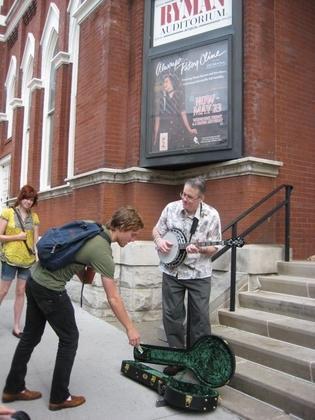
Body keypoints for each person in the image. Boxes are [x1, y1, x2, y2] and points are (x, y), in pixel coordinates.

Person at [2, 206, 144, 411]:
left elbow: (85, 277)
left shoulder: (90, 228)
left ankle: (13, 387)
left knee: (30, 336)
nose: (133, 239)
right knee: (69, 339)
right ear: (121, 227)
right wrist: (130, 328)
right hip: (50, 290)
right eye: (133, 234)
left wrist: (90, 264)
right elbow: (113, 298)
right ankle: (59, 397)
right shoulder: (102, 250)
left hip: (34, 281)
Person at [152, 177, 221, 375]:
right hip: (172, 271)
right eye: (183, 194)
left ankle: (200, 359)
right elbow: (157, 230)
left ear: (201, 198)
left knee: (199, 318)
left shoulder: (211, 215)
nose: (184, 199)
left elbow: (215, 247)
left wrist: (199, 250)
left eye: (190, 197)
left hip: (199, 274)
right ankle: (177, 358)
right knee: (172, 316)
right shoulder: (170, 208)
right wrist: (159, 241)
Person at [0, 185, 40, 338]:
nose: (28, 202)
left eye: (31, 200)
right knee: (3, 291)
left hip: (27, 260)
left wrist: (38, 256)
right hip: (9, 258)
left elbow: (36, 240)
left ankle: (16, 327)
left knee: (20, 292)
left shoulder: (34, 217)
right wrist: (16, 237)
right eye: (26, 198)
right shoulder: (8, 213)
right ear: (21, 197)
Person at [153, 74, 197, 152]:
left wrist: (189, 129)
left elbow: (183, 112)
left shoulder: (178, 95)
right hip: (165, 131)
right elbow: (157, 118)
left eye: (166, 82)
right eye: (163, 82)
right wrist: (156, 136)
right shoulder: (162, 99)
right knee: (164, 151)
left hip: (177, 129)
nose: (164, 84)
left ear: (172, 83)